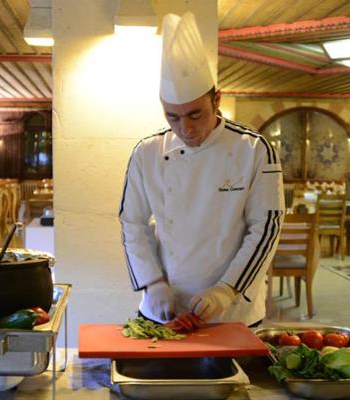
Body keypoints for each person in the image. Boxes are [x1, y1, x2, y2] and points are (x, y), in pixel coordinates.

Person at [119, 12, 284, 328]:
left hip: (232, 311)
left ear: (216, 100)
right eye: (173, 117)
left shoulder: (254, 149)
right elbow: (132, 222)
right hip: (163, 307)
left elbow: (266, 226)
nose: (186, 128)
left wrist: (227, 289)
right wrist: (152, 282)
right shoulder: (146, 152)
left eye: (195, 115)